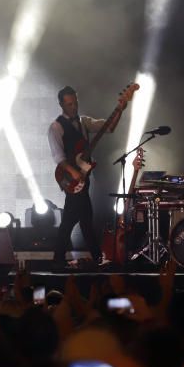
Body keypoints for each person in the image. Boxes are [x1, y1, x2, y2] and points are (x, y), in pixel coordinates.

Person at [48, 85, 123, 268]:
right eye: (69, 104)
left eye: (75, 103)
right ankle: (96, 257)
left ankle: (58, 260)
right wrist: (75, 173)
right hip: (71, 178)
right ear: (61, 105)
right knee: (83, 219)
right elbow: (58, 157)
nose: (74, 107)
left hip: (83, 178)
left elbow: (109, 127)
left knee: (75, 220)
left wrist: (120, 109)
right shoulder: (56, 127)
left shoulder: (84, 122)